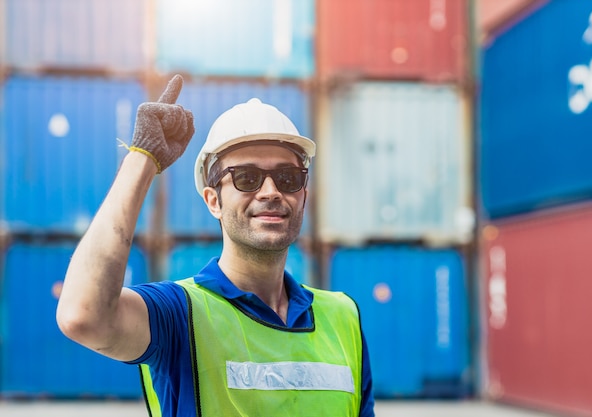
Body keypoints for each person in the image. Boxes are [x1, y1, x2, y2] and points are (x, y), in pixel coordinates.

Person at [57, 74, 375, 416]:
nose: (271, 192)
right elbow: (83, 316)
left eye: (288, 178)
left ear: (303, 196)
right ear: (213, 201)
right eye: (247, 178)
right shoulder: (180, 315)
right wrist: (143, 158)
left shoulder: (343, 316)